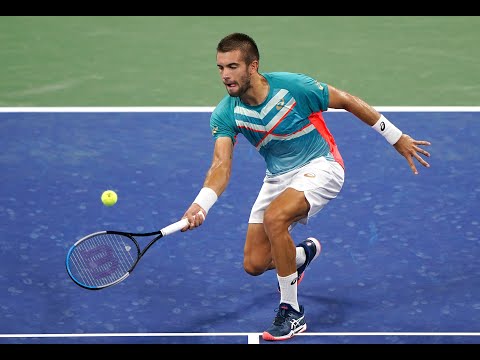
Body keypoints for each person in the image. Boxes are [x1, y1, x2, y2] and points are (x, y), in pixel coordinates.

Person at [180, 32, 431, 341]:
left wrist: (396, 137)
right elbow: (221, 166)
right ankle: (299, 257)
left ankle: (291, 312)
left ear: (253, 66)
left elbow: (348, 101)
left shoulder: (292, 87)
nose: (225, 76)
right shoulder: (227, 112)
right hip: (277, 177)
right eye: (220, 68)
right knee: (255, 263)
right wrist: (201, 204)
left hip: (321, 165)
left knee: (276, 218)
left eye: (232, 66)